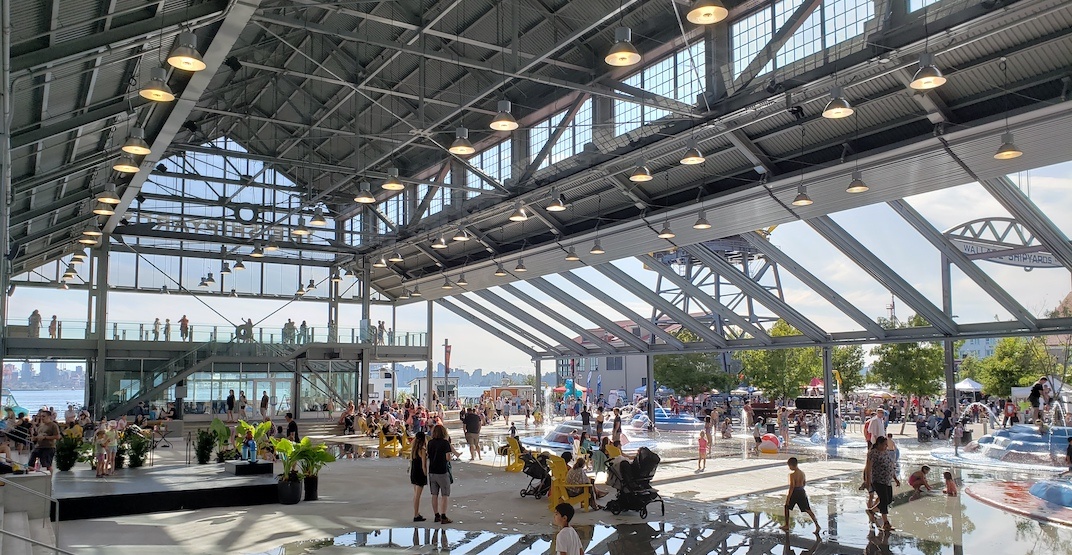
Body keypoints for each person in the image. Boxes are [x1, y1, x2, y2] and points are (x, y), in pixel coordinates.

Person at [427, 424, 460, 524]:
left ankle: (436, 515)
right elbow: (447, 458)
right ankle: (444, 516)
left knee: (434, 494)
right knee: (445, 494)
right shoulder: (445, 443)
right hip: (442, 471)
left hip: (432, 471)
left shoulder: (430, 443)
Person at [781, 457, 820, 533]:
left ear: (791, 465)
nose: (789, 468)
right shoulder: (802, 473)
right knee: (808, 510)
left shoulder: (792, 475)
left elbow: (792, 487)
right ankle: (817, 525)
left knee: (786, 506)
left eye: (789, 466)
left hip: (795, 492)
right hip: (801, 491)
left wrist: (788, 498)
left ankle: (787, 525)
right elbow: (804, 483)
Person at [869, 436, 900, 531]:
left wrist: (895, 478)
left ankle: (872, 511)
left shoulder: (885, 452)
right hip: (878, 480)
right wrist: (867, 481)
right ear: (878, 444)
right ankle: (886, 523)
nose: (886, 446)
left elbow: (890, 466)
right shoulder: (873, 453)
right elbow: (868, 468)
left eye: (886, 445)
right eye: (884, 444)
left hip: (887, 480)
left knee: (889, 500)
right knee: (884, 500)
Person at [410, 431, 428, 522]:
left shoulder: (414, 449)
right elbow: (423, 464)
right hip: (420, 473)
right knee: (418, 496)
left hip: (414, 472)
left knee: (415, 494)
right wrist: (425, 474)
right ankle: (416, 514)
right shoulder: (422, 449)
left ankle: (416, 512)